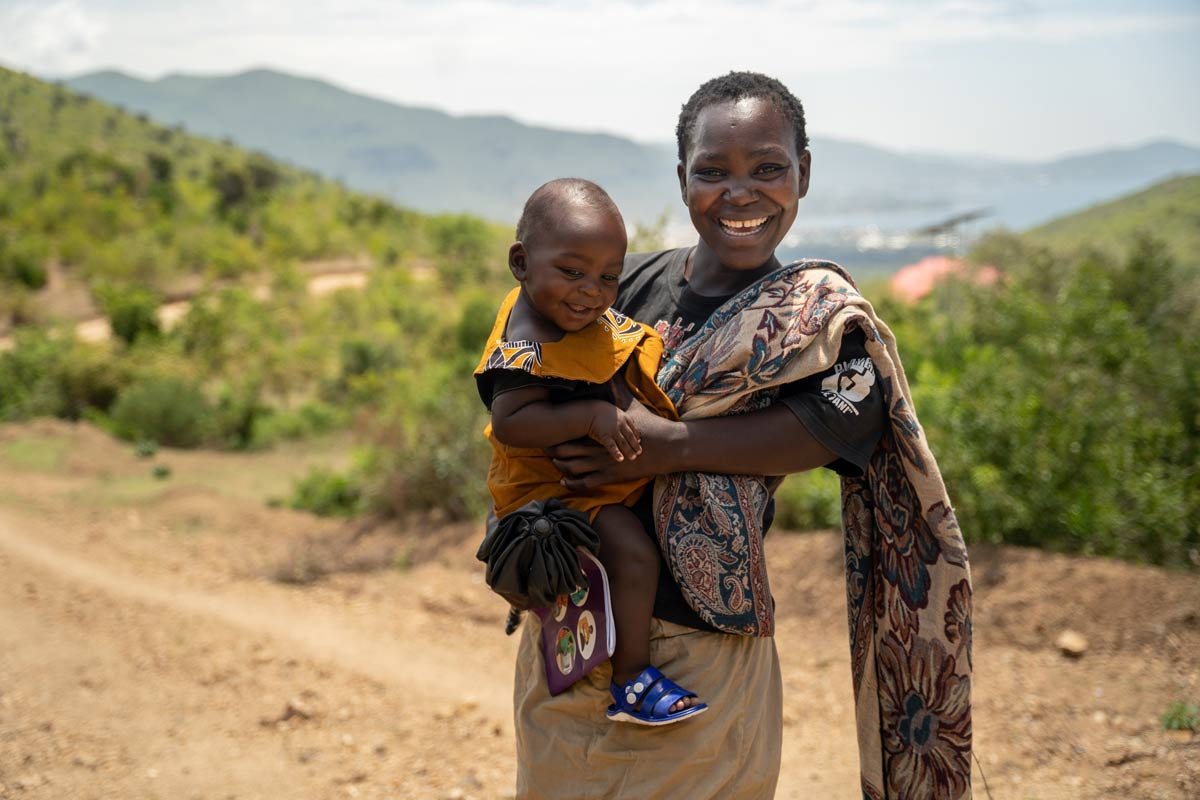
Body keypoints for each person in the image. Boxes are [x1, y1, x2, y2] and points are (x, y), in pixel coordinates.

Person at [501, 72, 973, 800]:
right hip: (576, 623)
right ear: (683, 180)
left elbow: (831, 426)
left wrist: (669, 445)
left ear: (803, 174)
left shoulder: (817, 323)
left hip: (703, 654)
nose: (740, 193)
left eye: (768, 168)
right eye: (712, 171)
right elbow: (531, 387)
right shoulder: (624, 287)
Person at [474, 178, 708, 725]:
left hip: (579, 474)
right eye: (572, 272)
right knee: (633, 554)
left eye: (609, 277)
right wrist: (593, 416)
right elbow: (510, 423)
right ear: (521, 262)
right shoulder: (525, 347)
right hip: (555, 489)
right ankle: (631, 679)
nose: (592, 292)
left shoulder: (561, 315)